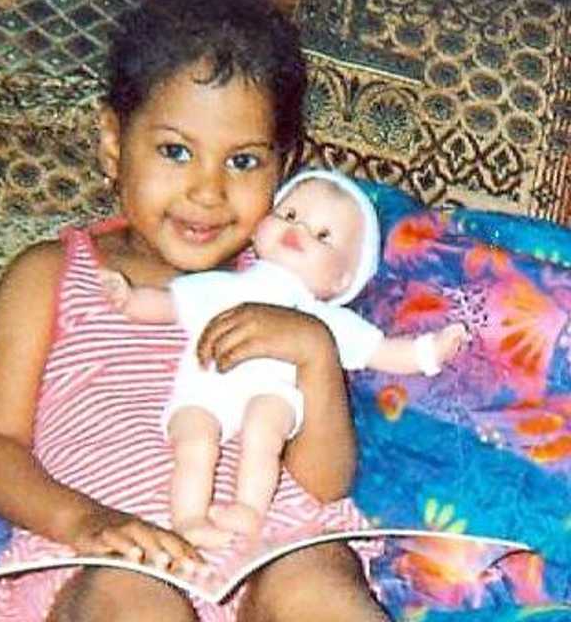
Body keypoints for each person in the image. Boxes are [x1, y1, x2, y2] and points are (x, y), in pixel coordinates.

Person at [0, 0, 390, 622]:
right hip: (112, 548)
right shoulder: (50, 275)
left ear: (284, 168)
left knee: (319, 587)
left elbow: (325, 483)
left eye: (242, 161)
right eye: (176, 151)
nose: (208, 191)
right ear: (112, 142)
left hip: (269, 535)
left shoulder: (287, 293)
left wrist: (316, 357)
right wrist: (86, 522)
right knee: (131, 603)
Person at [100, 169, 467, 548]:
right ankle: (188, 519)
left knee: (264, 430)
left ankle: (248, 509)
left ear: (343, 280)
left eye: (324, 236)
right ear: (260, 231)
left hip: (272, 393)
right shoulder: (225, 285)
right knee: (195, 441)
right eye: (290, 216)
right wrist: (128, 298)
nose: (300, 231)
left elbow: (383, 351)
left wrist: (431, 351)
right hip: (205, 386)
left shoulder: (324, 318)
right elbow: (170, 304)